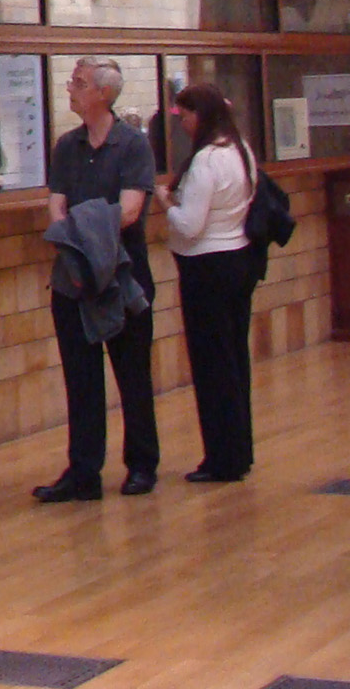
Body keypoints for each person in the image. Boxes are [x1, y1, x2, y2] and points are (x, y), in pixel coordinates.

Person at [36, 57, 159, 502]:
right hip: (74, 277)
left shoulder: (132, 146)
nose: (70, 88)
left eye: (80, 82)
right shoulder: (66, 147)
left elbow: (128, 212)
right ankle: (84, 470)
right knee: (80, 377)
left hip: (121, 275)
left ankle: (142, 463)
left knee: (132, 374)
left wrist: (79, 228)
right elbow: (56, 205)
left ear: (103, 94)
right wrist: (76, 232)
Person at [154, 84, 259, 483]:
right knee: (234, 362)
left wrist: (166, 201)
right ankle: (239, 451)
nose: (181, 122)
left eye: (185, 114)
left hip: (206, 269)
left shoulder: (206, 162)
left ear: (201, 115)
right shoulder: (240, 150)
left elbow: (190, 225)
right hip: (238, 259)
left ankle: (221, 458)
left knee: (212, 366)